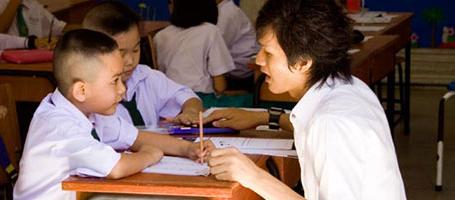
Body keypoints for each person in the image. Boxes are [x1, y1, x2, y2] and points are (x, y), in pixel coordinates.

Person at [206, 0, 406, 199]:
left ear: (303, 62)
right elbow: (312, 127)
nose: (258, 60)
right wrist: (264, 117)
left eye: (268, 53)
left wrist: (253, 176)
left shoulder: (332, 122)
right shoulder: (347, 86)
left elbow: (325, 127)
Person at [13, 29, 213, 199]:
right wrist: (149, 155)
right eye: (115, 81)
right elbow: (116, 168)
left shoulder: (88, 111)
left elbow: (136, 137)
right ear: (81, 91)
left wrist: (189, 149)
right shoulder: (60, 128)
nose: (122, 90)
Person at [82, 1, 203, 128]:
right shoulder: (89, 95)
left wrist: (191, 111)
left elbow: (186, 96)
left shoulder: (145, 76)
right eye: (121, 53)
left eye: (136, 49)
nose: (130, 61)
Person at [154, 0, 251, 108]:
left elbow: (161, 74)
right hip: (202, 100)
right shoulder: (210, 31)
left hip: (170, 100)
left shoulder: (160, 36)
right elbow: (220, 86)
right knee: (249, 99)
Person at [216, 0, 259, 91]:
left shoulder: (227, 12)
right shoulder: (222, 9)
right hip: (233, 71)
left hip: (243, 74)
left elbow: (215, 48)